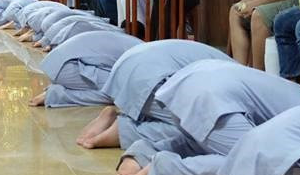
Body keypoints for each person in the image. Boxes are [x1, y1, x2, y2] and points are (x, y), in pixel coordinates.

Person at [119, 59, 300, 175]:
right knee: (252, 166)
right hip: (212, 94)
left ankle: (144, 152)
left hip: (187, 78)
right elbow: (269, 166)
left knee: (200, 143)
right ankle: (165, 169)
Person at [78, 39, 232, 152]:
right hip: (151, 77)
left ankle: (123, 118)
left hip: (129, 65)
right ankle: (127, 130)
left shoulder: (230, 65)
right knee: (206, 132)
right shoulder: (234, 78)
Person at [29, 30, 143, 108]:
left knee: (120, 87)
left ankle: (64, 88)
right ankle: (57, 95)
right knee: (121, 93)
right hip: (67, 66)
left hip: (59, 62)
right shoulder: (142, 55)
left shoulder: (139, 45)